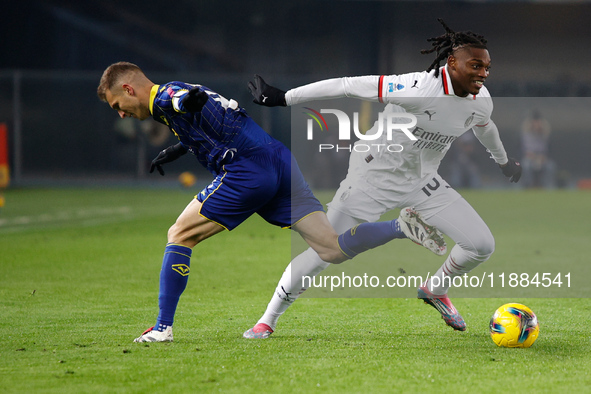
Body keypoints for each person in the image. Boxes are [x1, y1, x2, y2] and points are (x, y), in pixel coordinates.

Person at [96, 62, 446, 342]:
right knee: (332, 249)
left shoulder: (165, 96)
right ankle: (401, 226)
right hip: (277, 160)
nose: (121, 113)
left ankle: (161, 328)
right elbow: (200, 120)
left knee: (179, 235)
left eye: (118, 106)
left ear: (128, 89)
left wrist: (185, 103)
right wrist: (173, 151)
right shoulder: (171, 98)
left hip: (247, 169)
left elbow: (182, 101)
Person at [243, 18, 522, 338]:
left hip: (422, 182)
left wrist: (502, 162)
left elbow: (485, 128)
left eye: (487, 67)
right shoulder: (417, 88)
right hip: (371, 179)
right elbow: (347, 85)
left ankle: (435, 290)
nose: (483, 73)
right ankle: (267, 320)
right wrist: (285, 97)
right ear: (452, 62)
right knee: (325, 252)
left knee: (481, 244)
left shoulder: (481, 100)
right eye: (476, 65)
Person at [521, 109, 555, 188]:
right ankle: (528, 186)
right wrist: (532, 156)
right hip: (530, 158)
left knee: (551, 166)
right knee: (526, 165)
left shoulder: (545, 135)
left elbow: (546, 150)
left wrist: (542, 157)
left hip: (542, 158)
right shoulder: (527, 134)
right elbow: (525, 150)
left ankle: (546, 187)